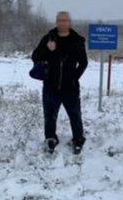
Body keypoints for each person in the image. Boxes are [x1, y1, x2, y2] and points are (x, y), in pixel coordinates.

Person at [32, 11, 88, 155]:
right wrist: (47, 49)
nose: (62, 23)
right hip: (51, 86)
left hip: (71, 87)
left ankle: (78, 139)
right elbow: (35, 56)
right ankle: (50, 139)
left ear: (70, 22)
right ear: (56, 22)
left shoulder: (77, 40)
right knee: (49, 116)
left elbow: (83, 63)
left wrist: (75, 78)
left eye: (65, 20)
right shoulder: (49, 38)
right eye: (60, 20)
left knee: (75, 115)